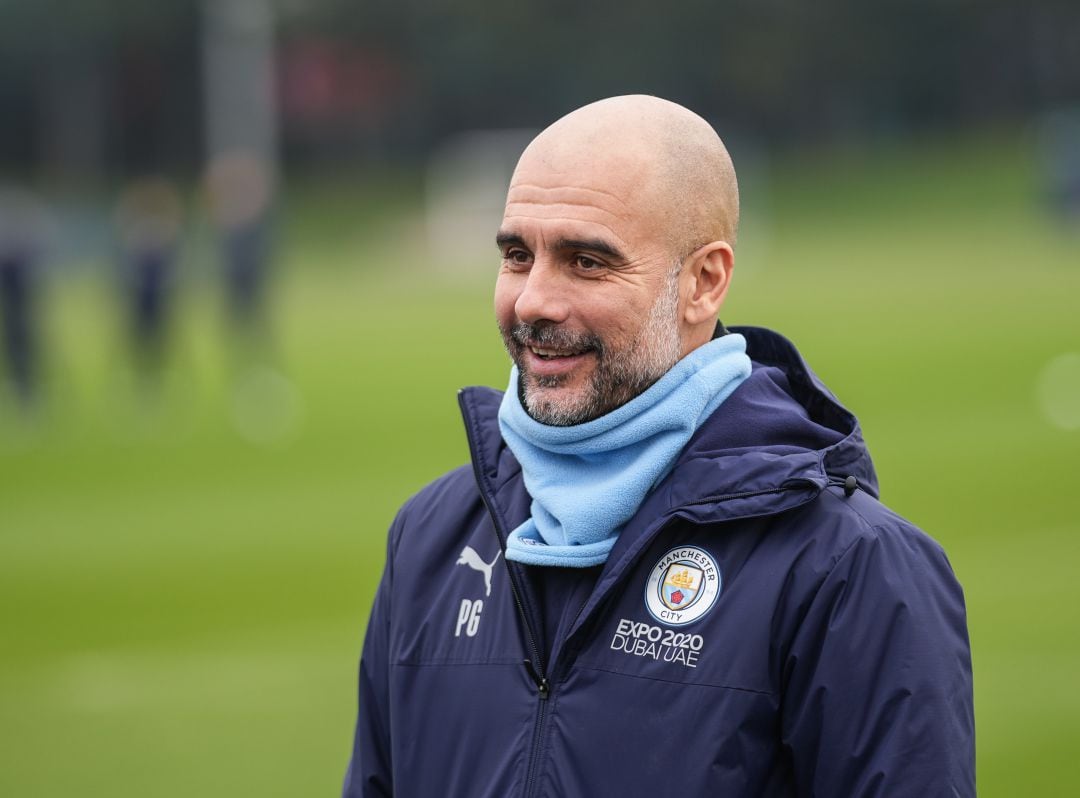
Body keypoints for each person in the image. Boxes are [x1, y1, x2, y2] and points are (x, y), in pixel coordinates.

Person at [343, 95, 975, 797]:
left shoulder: (852, 568)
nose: (532, 302)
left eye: (586, 262)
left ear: (703, 283)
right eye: (518, 256)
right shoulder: (431, 538)